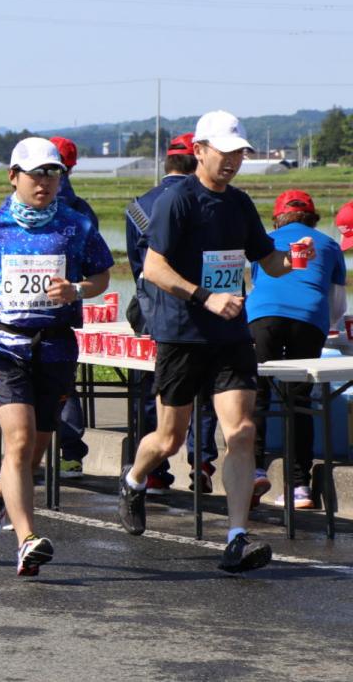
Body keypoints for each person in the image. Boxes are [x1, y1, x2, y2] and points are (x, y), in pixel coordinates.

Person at [117, 111, 314, 574]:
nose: (230, 162)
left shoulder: (240, 204)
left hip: (229, 334)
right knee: (170, 438)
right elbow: (153, 270)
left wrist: (295, 258)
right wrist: (205, 297)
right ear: (200, 151)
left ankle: (237, 537)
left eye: (238, 154)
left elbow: (267, 259)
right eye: (222, 153)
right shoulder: (178, 201)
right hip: (183, 333)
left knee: (241, 431)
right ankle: (133, 479)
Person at [0, 137, 113, 576]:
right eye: (35, 173)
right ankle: (27, 539)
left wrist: (78, 289)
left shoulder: (75, 225)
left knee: (34, 450)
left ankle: (0, 488)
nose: (44, 181)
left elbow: (102, 274)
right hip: (6, 343)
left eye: (52, 172)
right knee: (19, 441)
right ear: (13, 177)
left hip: (57, 344)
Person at [124, 132, 219, 495]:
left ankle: (152, 472)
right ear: (197, 160)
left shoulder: (137, 206)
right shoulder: (206, 201)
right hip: (202, 305)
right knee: (206, 388)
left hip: (152, 309)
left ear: (167, 163)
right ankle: (203, 462)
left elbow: (139, 266)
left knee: (153, 388)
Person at [247, 190, 346, 509]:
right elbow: (337, 305)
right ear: (313, 218)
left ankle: (253, 472)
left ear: (277, 217)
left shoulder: (265, 239)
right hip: (309, 319)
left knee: (257, 394)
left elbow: (260, 283)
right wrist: (324, 326)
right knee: (299, 400)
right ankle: (299, 487)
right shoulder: (329, 244)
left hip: (263, 316)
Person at [48, 136, 97, 479]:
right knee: (65, 380)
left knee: (24, 382)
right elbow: (100, 268)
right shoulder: (81, 211)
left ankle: (20, 457)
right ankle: (69, 452)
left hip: (23, 313)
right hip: (65, 309)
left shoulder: (24, 203)